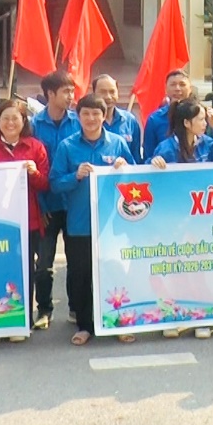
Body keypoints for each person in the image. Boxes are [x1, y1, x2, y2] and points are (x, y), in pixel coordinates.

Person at [50, 94, 136, 346]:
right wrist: (74, 176)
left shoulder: (117, 143)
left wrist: (125, 167)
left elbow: (137, 176)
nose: (91, 118)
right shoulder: (67, 147)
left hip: (113, 224)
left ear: (103, 115)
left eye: (96, 113)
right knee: (81, 275)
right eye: (85, 113)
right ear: (78, 117)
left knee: (115, 272)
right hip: (80, 224)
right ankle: (85, 325)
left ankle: (117, 321)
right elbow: (54, 183)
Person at [150, 99, 213, 339]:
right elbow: (150, 178)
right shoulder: (167, 148)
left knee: (199, 269)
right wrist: (153, 164)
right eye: (201, 119)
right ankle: (172, 317)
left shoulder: (208, 143)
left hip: (202, 218)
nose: (204, 123)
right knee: (175, 269)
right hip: (174, 220)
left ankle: (201, 317)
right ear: (187, 123)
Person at [0, 99, 50, 344]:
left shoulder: (35, 147)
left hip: (28, 220)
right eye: (5, 118)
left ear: (24, 121)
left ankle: (20, 322)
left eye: (15, 118)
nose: (10, 123)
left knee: (24, 271)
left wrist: (34, 173)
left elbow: (45, 184)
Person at [30, 71, 80, 328]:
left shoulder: (79, 122)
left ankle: (76, 308)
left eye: (72, 91)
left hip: (73, 203)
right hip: (46, 204)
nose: (71, 96)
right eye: (66, 92)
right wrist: (40, 205)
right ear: (50, 94)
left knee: (76, 261)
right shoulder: (34, 125)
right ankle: (44, 310)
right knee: (44, 264)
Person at [94, 74, 144, 164]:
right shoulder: (87, 121)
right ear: (94, 93)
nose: (108, 97)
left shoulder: (130, 121)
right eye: (103, 92)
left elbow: (136, 158)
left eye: (112, 92)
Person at [143, 69, 194, 156]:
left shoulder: (200, 116)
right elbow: (148, 155)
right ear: (166, 89)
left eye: (182, 84)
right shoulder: (155, 119)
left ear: (190, 89)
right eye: (173, 85)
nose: (177, 89)